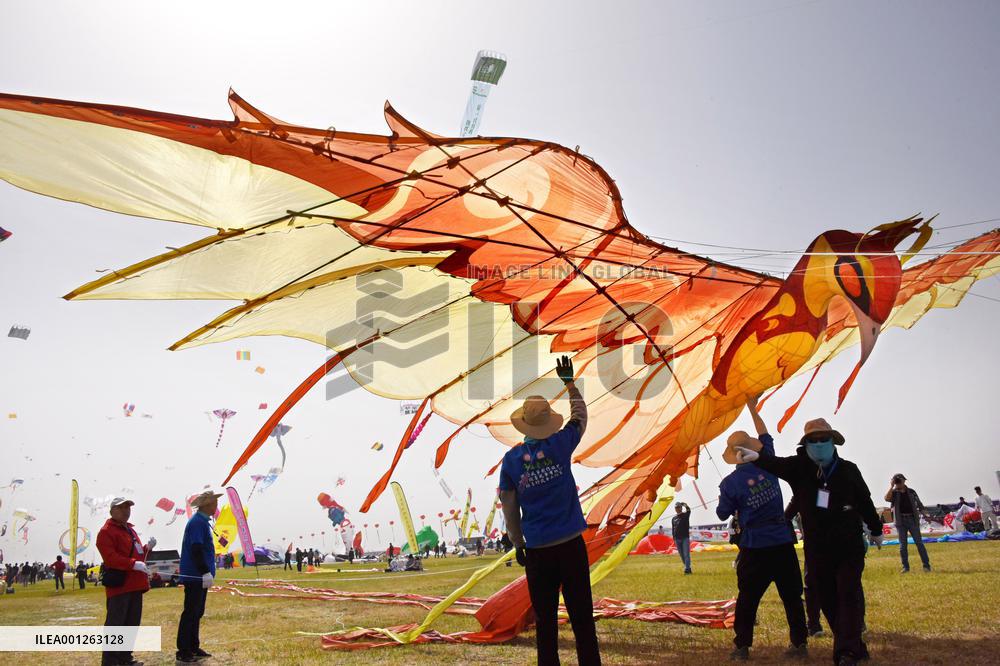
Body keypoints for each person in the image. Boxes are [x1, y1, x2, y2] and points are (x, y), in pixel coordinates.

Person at [736, 417, 883, 666]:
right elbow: (776, 464)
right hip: (817, 548)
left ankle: (846, 652)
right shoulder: (799, 468)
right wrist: (758, 458)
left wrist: (876, 529)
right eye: (813, 440)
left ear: (833, 442)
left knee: (848, 592)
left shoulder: (848, 470)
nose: (819, 444)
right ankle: (854, 645)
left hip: (848, 544)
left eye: (823, 439)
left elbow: (865, 501)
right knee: (827, 598)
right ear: (805, 445)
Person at [499, 355, 601, 666]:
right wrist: (570, 384)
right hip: (570, 545)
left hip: (538, 551)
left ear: (524, 424)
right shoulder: (560, 444)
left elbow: (509, 506)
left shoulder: (512, 461)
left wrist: (518, 543)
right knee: (582, 615)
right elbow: (580, 416)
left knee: (545, 621)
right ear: (547, 421)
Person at [717, 397, 808, 661]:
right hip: (781, 541)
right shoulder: (768, 463)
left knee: (748, 598)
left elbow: (722, 513)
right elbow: (764, 434)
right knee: (792, 596)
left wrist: (732, 499)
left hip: (754, 545)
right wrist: (752, 407)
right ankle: (799, 643)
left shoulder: (730, 483)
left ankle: (742, 647)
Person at [95, 497, 154, 666]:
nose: (126, 511)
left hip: (136, 584)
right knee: (116, 625)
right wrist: (133, 564)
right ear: (112, 511)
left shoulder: (131, 530)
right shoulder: (106, 531)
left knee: (131, 624)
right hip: (120, 586)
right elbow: (110, 558)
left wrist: (147, 549)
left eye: (128, 508)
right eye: (121, 508)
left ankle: (125, 658)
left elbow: (138, 554)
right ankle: (110, 661)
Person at [176, 490, 221, 663]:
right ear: (207, 505)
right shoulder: (197, 523)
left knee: (197, 612)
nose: (216, 506)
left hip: (199, 576)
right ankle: (184, 650)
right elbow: (196, 549)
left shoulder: (202, 522)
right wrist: (204, 571)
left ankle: (193, 646)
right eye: (214, 503)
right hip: (195, 575)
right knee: (191, 612)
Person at [785, 496, 823, 636]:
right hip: (834, 541)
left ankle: (814, 624)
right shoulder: (838, 484)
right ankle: (856, 622)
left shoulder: (804, 488)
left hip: (815, 544)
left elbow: (787, 514)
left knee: (812, 584)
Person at [884, 474, 931, 573]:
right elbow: (887, 498)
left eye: (899, 480)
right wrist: (891, 486)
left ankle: (926, 566)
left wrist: (926, 515)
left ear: (904, 481)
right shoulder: (894, 493)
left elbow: (920, 505)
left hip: (912, 519)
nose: (898, 483)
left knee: (919, 543)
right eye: (896, 481)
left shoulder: (912, 492)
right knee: (903, 546)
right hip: (900, 521)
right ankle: (905, 567)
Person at [672, 502, 693, 574]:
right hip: (677, 539)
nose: (677, 509)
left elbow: (689, 511)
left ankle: (687, 568)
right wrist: (674, 539)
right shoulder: (673, 518)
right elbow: (673, 529)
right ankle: (687, 567)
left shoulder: (685, 515)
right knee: (681, 555)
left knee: (686, 554)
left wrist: (685, 505)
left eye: (679, 507)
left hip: (685, 538)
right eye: (676, 507)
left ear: (681, 508)